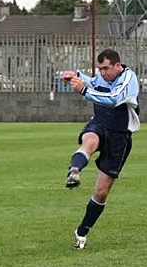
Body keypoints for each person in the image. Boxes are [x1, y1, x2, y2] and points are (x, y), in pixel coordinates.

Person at [60, 49, 140, 249]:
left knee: (102, 192)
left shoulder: (129, 79)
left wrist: (84, 90)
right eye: (100, 69)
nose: (103, 73)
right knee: (89, 141)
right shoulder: (101, 77)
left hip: (119, 136)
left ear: (117, 66)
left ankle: (81, 232)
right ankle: (75, 171)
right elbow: (93, 82)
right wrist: (75, 76)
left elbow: (114, 98)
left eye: (106, 68)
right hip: (100, 124)